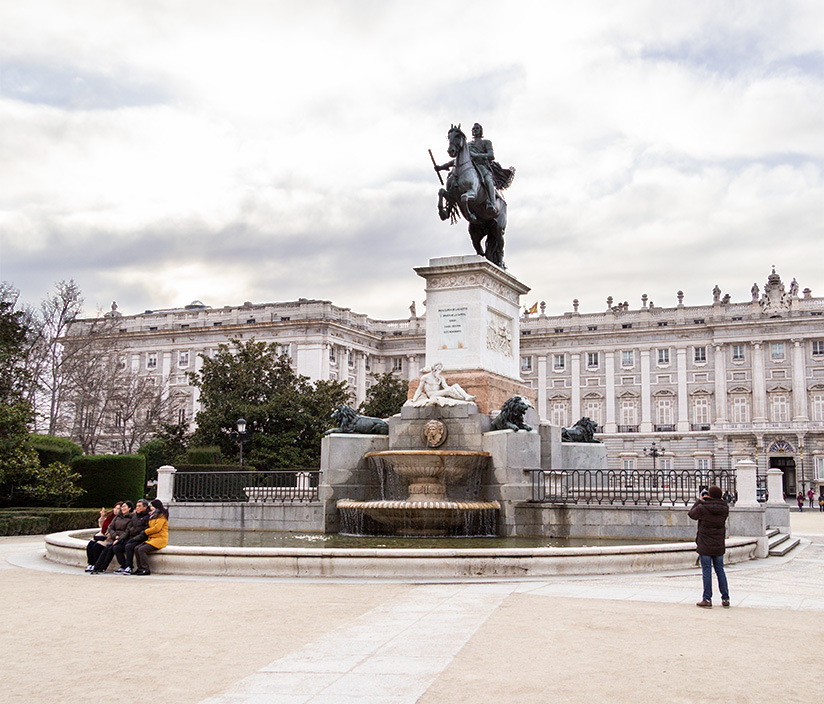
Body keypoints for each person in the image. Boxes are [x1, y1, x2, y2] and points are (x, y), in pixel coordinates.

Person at [688, 485, 730, 608]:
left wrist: (699, 501)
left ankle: (707, 598)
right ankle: (725, 598)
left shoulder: (703, 507)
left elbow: (691, 514)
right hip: (718, 544)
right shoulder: (725, 508)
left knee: (706, 571)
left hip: (705, 543)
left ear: (709, 495)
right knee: (720, 570)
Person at [90, 501, 134, 573]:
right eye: (122, 507)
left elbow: (127, 531)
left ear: (129, 508)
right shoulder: (117, 517)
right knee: (106, 549)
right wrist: (115, 536)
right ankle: (97, 567)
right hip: (114, 538)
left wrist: (118, 539)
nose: (122, 508)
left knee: (112, 549)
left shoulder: (131, 518)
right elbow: (110, 527)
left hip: (123, 539)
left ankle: (103, 567)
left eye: (124, 506)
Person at [409, 362, 476, 406]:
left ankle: (466, 396)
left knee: (455, 385)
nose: (439, 371)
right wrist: (414, 399)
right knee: (449, 391)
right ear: (433, 369)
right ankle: (462, 399)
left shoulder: (440, 377)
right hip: (431, 394)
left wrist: (452, 389)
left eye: (440, 369)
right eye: (438, 369)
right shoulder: (425, 377)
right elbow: (419, 389)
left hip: (438, 392)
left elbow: (446, 387)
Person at [113, 499, 151, 574]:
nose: (137, 508)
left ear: (145, 507)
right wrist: (120, 539)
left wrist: (134, 539)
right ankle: (123, 565)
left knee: (129, 546)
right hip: (132, 538)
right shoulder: (134, 516)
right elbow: (128, 529)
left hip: (141, 539)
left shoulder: (148, 517)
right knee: (117, 547)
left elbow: (145, 531)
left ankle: (129, 567)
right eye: (136, 506)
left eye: (139, 506)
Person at [132, 499, 169, 576]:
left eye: (152, 506)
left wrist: (146, 531)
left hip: (160, 539)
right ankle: (140, 568)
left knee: (142, 549)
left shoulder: (162, 516)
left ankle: (145, 569)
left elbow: (157, 528)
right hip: (152, 539)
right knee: (136, 548)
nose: (150, 508)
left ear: (156, 507)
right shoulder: (153, 516)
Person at [84, 502, 121, 571]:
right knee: (90, 544)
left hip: (109, 537)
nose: (116, 510)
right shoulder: (110, 516)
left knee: (97, 546)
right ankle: (91, 564)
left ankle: (96, 564)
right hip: (102, 534)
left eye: (118, 509)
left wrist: (110, 536)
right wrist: (102, 517)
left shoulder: (119, 519)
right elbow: (102, 526)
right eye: (115, 508)